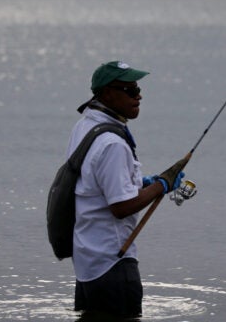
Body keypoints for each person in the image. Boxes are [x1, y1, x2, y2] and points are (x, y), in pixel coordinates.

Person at [66, 60, 183, 319]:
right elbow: (121, 207)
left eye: (138, 88)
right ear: (107, 94)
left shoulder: (85, 127)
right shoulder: (112, 144)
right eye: (129, 90)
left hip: (87, 262)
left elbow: (93, 182)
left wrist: (142, 183)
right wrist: (162, 185)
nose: (138, 95)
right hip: (113, 264)